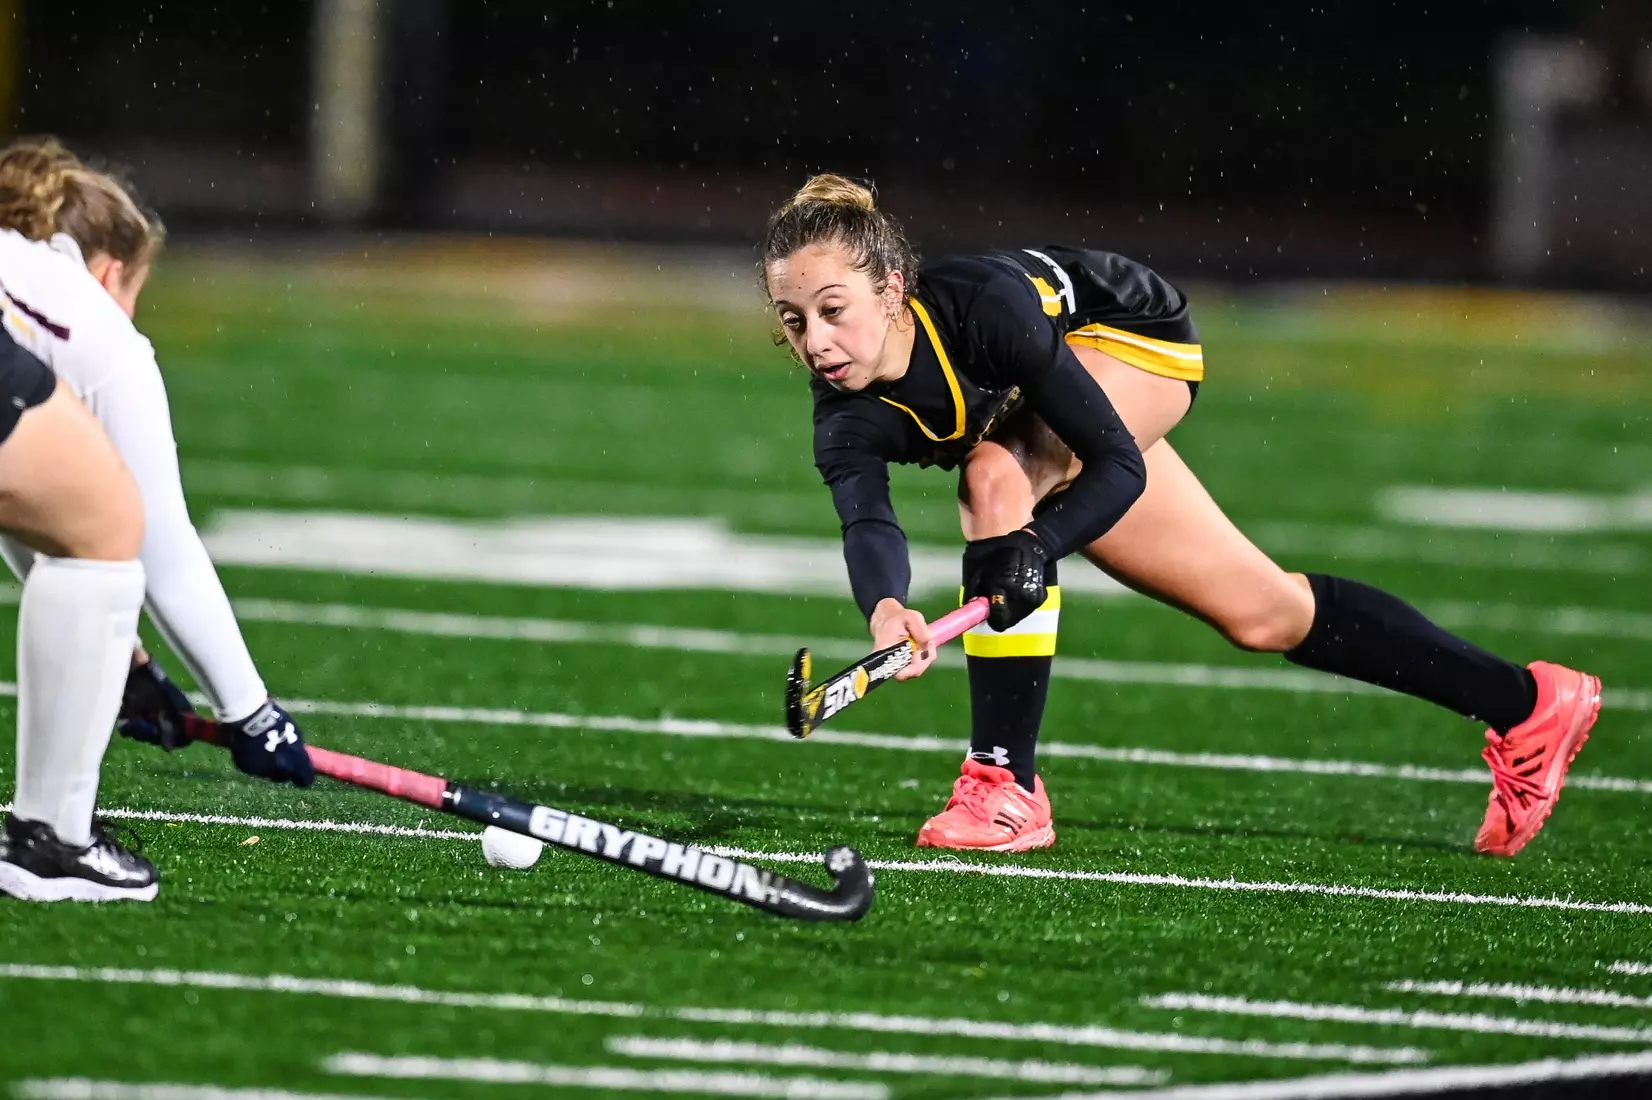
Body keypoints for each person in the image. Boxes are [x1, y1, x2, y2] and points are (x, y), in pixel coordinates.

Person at [762, 173, 1600, 857]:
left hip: (1134, 335)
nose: (818, 340)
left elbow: (1116, 465)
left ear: (894, 290)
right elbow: (867, 523)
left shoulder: (985, 312)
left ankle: (1004, 785)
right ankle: (1529, 703)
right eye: (794, 321)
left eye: (835, 308)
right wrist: (886, 610)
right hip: (1057, 406)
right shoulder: (842, 415)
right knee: (1263, 612)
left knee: (997, 473)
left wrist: (1039, 547)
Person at [0, 137, 314, 902]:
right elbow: (159, 545)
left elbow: (26, 498)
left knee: (90, 514)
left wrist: (131, 667)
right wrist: (251, 711)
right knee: (115, 516)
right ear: (112, 270)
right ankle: (52, 841)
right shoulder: (99, 332)